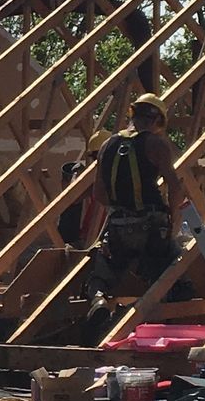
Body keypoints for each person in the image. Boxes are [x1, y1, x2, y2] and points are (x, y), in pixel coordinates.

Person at [83, 93, 196, 295]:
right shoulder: (156, 144)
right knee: (174, 270)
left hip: (119, 230)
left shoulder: (106, 146)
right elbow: (175, 187)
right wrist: (173, 222)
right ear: (156, 120)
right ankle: (166, 306)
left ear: (132, 115)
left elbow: (99, 193)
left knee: (103, 268)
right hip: (152, 227)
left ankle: (98, 297)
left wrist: (121, 208)